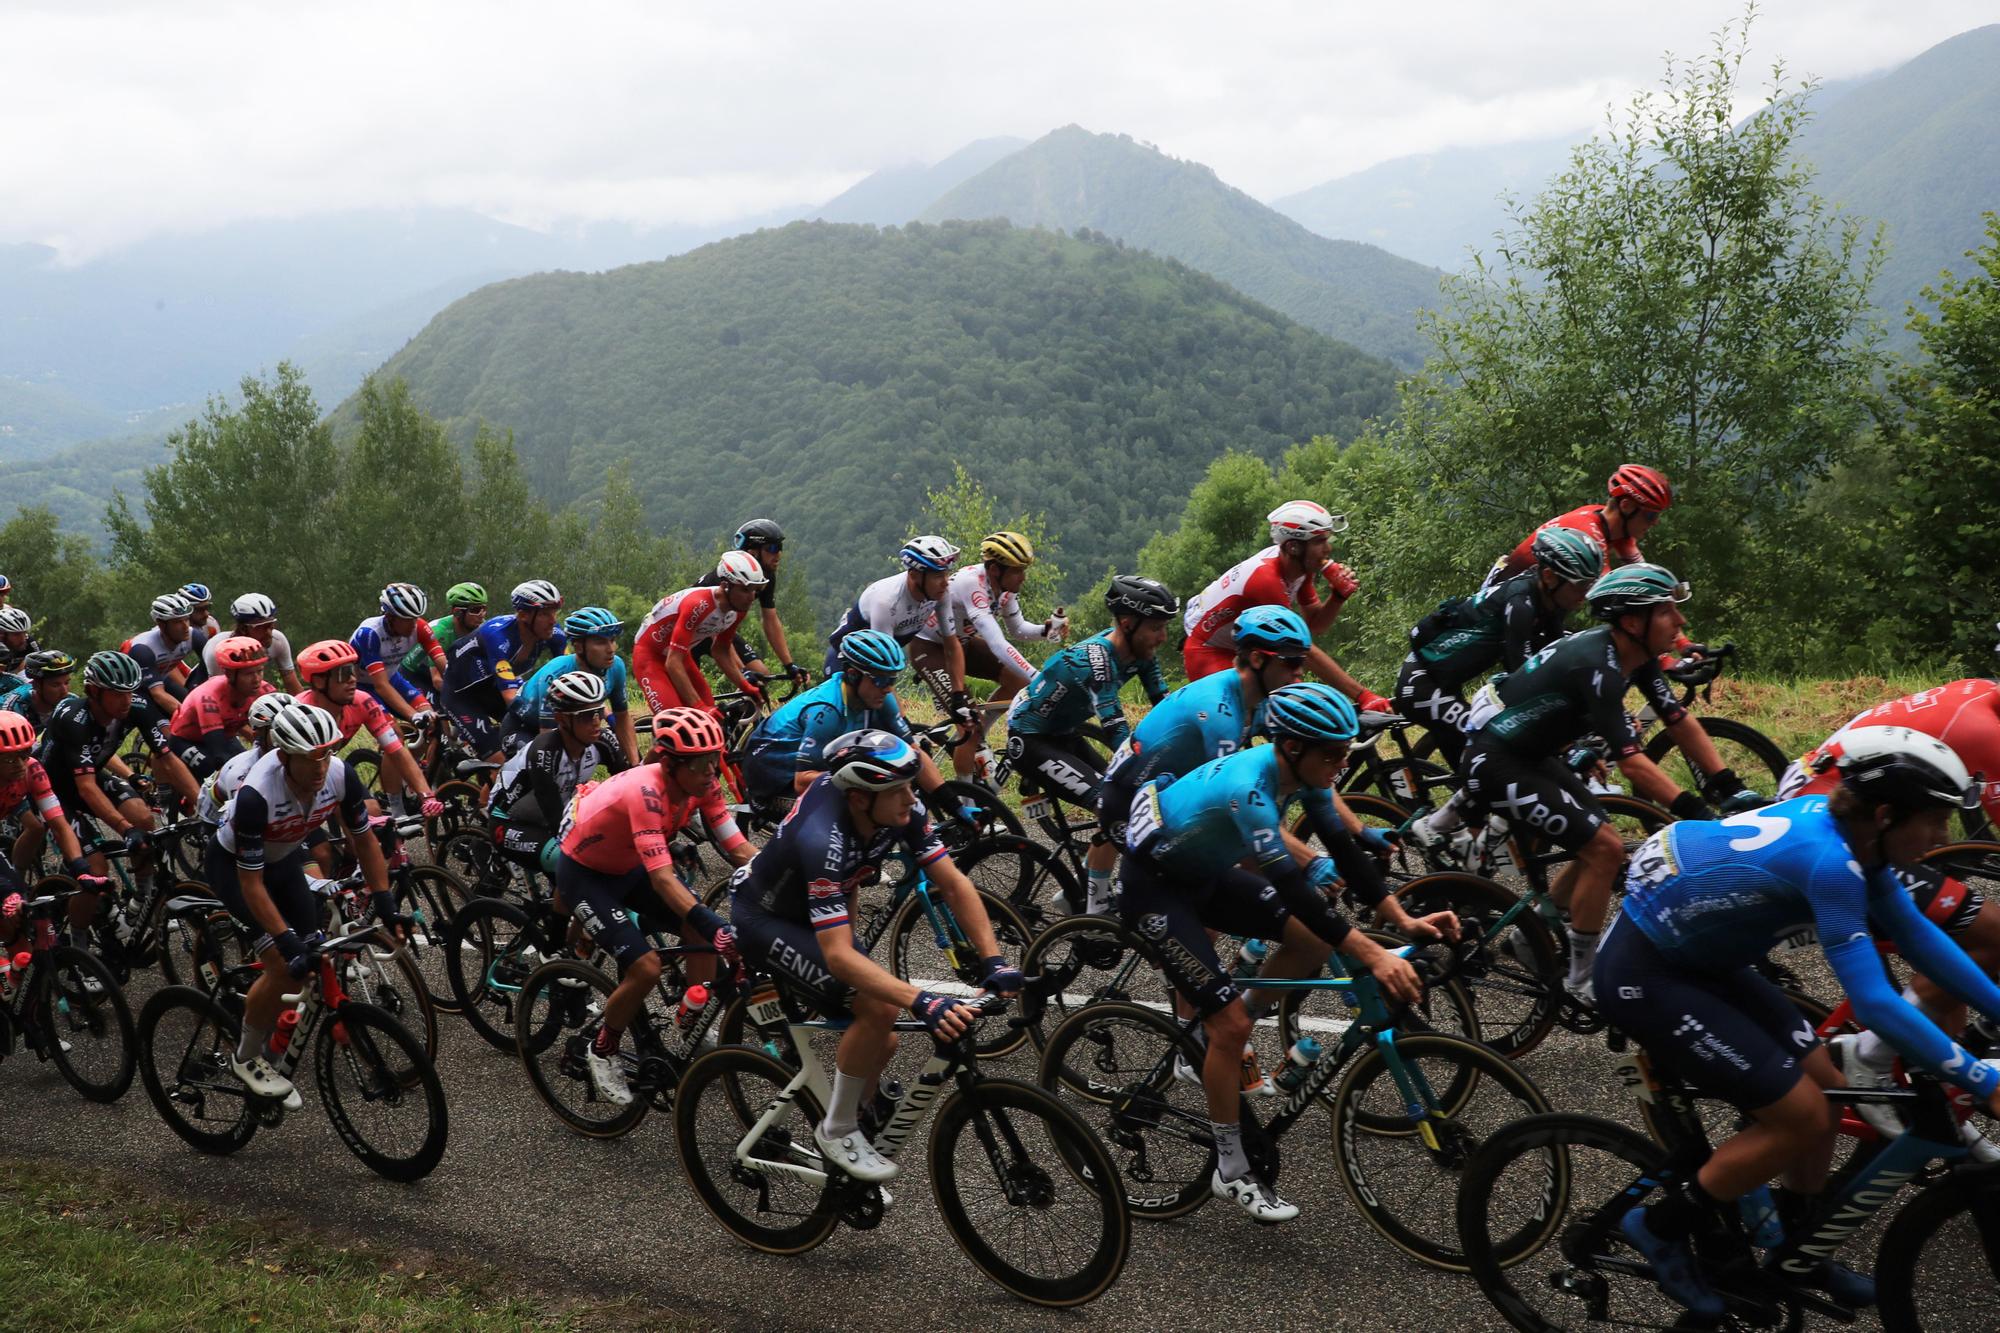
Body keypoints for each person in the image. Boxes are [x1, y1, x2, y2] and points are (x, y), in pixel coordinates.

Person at [1599, 729, 2000, 1316]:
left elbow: (1922, 941)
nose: (1943, 838)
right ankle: (1658, 1224)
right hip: (1648, 973)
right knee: (1801, 1117)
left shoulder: (1859, 839)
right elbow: (1874, 1004)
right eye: (1936, 822)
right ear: (1886, 814)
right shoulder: (1831, 863)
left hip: (1700, 958)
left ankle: (1797, 1247)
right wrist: (1983, 1080)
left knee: (1828, 1089)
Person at [1118, 683, 1456, 1222]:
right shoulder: (1249, 787)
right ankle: (1230, 1167)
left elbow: (1342, 848)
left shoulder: (1306, 772)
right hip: (1154, 890)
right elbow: (1296, 887)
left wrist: (1401, 917)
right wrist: (1374, 954)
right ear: (1293, 747)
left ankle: (1222, 1034)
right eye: (1333, 754)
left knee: (1313, 942)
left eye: (1345, 753)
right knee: (1229, 1023)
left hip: (1202, 875)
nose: (1341, 765)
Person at [1454, 563, 1756, 1005]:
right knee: (1605, 849)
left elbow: (1678, 720)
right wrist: (1697, 812)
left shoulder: (1638, 657)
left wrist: (1729, 784)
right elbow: (1632, 764)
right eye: (1668, 610)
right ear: (1634, 622)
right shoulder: (1599, 666)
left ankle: (1534, 933)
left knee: (1601, 839)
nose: (1681, 620)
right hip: (1495, 762)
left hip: (1529, 756)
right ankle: (1580, 978)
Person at [729, 729, 1020, 1182]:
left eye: (910, 785)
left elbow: (954, 883)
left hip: (823, 908)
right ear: (861, 798)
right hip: (768, 920)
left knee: (883, 1038)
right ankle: (837, 1128)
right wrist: (922, 1000)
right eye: (898, 789)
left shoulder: (896, 805)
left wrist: (994, 961)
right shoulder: (821, 837)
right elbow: (839, 956)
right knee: (880, 1005)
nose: (911, 797)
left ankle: (857, 1115)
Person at [1776, 676, 2000, 1148]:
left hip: (1837, 795)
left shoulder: (1980, 690)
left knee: (1954, 953)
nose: (1944, 836)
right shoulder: (1986, 732)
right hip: (1844, 825)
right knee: (1989, 932)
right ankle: (1872, 1054)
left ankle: (1941, 1101)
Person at [553, 708, 754, 1107]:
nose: (711, 772)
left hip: (629, 867)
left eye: (715, 759)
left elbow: (734, 845)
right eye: (701, 764)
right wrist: (714, 923)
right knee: (647, 966)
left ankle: (689, 1023)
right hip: (586, 874)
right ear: (669, 763)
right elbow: (662, 878)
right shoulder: (645, 791)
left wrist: (778, 879)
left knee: (697, 931)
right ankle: (602, 1047)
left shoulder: (703, 783)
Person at [206, 702, 392, 1105]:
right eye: (310, 758)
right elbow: (252, 884)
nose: (321, 765)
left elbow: (364, 840)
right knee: (284, 966)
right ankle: (247, 1057)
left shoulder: (339, 774)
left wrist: (385, 900)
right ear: (285, 756)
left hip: (284, 859)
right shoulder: (258, 793)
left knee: (315, 959)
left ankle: (276, 1054)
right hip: (235, 869)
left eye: (326, 752)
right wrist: (284, 940)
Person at [1398, 526, 1605, 862]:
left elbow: (1555, 658)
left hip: (1442, 683)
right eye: (1581, 584)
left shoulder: (1549, 601)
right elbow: (1523, 676)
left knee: (1490, 763)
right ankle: (1439, 830)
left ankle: (1468, 857)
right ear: (1551, 576)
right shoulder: (1521, 601)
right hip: (1420, 683)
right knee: (1490, 749)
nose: (1586, 593)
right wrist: (1566, 741)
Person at [1094, 606, 1312, 913]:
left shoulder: (1257, 701)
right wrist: (1308, 860)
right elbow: (1234, 793)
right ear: (1258, 660)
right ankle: (1098, 917)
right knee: (1217, 874)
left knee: (1240, 866)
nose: (1300, 671)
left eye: (1302, 661)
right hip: (1127, 799)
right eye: (1292, 662)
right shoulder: (1219, 713)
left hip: (1165, 791)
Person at [1006, 575, 1176, 905]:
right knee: (1111, 804)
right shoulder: (1096, 662)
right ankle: (1093, 906)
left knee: (1125, 800)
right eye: (1156, 627)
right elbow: (1116, 729)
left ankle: (1079, 888)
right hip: (1030, 739)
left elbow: (1167, 707)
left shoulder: (1142, 652)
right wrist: (1153, 766)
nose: (1163, 636)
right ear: (1127, 623)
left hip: (1062, 734)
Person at [32, 651, 198, 943]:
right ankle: (80, 946)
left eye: (130, 692)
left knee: (144, 819)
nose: (126, 700)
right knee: (96, 869)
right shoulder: (74, 718)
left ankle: (140, 902)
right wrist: (124, 829)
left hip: (91, 776)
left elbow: (169, 759)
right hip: (55, 790)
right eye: (118, 693)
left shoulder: (136, 706)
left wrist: (203, 804)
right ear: (94, 692)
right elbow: (84, 789)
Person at [1181, 500, 1387, 711]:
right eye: (1319, 541)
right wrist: (1363, 695)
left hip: (1243, 646)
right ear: (1293, 546)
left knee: (1299, 708)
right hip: (1209, 649)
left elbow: (1315, 625)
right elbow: (1301, 648)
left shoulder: (1300, 566)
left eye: (1327, 539)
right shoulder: (1265, 580)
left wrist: (1337, 597)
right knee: (1238, 721)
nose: (1328, 548)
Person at [741, 630, 950, 807]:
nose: (888, 688)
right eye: (881, 679)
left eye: (892, 679)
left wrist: (954, 806)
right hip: (772, 774)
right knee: (856, 812)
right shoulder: (827, 711)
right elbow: (802, 782)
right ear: (852, 674)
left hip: (812, 765)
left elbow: (915, 753)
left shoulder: (881, 697)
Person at [826, 537, 983, 768]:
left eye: (947, 574)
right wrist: (899, 716)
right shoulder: (886, 600)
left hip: (878, 663)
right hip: (847, 662)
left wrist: (957, 697)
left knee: (895, 734)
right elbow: (881, 667)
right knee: (857, 734)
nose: (946, 582)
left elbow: (951, 645)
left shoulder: (939, 594)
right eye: (939, 576)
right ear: (916, 575)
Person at [488, 671, 628, 881]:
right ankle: (556, 915)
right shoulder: (544, 752)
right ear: (561, 719)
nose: (596, 721)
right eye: (585, 715)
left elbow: (630, 784)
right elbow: (556, 820)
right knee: (571, 862)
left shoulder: (603, 741)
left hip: (554, 814)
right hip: (508, 821)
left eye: (598, 711)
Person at [294, 639, 445, 823]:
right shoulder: (299, 713)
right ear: (318, 681)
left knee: (372, 812)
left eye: (353, 671)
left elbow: (397, 750)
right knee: (325, 849)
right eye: (343, 674)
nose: (352, 679)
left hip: (329, 767)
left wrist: (426, 795)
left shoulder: (362, 701)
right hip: (296, 780)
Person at [1480, 462, 1672, 590]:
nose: (1654, 522)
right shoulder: (1589, 533)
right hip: (1504, 594)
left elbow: (1647, 584)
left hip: (1538, 601)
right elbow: (1610, 593)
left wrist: (1683, 644)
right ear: (1626, 506)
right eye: (1650, 515)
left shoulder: (1616, 529)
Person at [944, 531, 1068, 725]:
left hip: (962, 644)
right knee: (968, 724)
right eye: (1017, 571)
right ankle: (973, 740)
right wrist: (1038, 677)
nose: (1023, 578)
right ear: (995, 569)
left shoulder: (1005, 589)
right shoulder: (972, 583)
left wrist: (1046, 630)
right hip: (934, 649)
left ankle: (982, 736)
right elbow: (997, 644)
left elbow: (1017, 629)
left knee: (1019, 681)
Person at [631, 554, 769, 724]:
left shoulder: (738, 609)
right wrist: (698, 706)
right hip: (650, 657)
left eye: (755, 590)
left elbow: (721, 651)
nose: (751, 597)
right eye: (745, 590)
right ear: (725, 585)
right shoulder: (698, 605)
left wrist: (746, 687)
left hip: (680, 656)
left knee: (711, 723)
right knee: (678, 724)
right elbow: (673, 663)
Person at [441, 579, 566, 760]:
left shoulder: (556, 635)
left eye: (555, 612)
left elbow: (568, 678)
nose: (553, 620)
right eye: (545, 614)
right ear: (523, 615)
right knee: (500, 762)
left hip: (493, 690)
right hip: (461, 697)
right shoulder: (497, 635)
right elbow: (510, 697)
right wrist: (545, 721)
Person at [0, 710, 98, 923]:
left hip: (10, 797)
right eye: (9, 759)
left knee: (36, 828)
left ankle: (18, 870)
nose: (19, 765)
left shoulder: (32, 769)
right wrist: (9, 887)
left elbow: (60, 825)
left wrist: (80, 867)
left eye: (24, 754)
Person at [687, 520, 810, 689]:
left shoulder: (765, 576)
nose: (779, 554)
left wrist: (789, 665)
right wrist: (742, 672)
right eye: (772, 549)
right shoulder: (728, 577)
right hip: (691, 632)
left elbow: (770, 620)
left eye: (780, 547)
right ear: (753, 552)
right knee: (692, 693)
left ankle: (741, 714)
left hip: (719, 629)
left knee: (761, 675)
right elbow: (713, 627)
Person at [509, 607, 641, 761]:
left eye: (612, 640)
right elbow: (548, 737)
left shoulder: (616, 666)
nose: (611, 649)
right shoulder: (557, 674)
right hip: (524, 727)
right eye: (600, 642)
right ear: (578, 647)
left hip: (571, 729)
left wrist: (635, 764)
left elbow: (622, 718)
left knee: (616, 754)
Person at [166, 636, 276, 779]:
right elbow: (220, 755)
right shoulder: (209, 698)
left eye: (260, 671)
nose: (256, 679)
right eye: (249, 673)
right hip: (186, 740)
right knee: (217, 773)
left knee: (252, 768)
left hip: (225, 735)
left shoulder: (264, 691)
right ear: (230, 674)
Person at [350, 583, 449, 727]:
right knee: (394, 732)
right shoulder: (370, 634)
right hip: (363, 687)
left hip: (394, 679)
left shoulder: (420, 627)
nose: (413, 624)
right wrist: (413, 715)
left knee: (432, 723)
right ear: (390, 617)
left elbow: (443, 664)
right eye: (408, 620)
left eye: (416, 618)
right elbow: (381, 685)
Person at [194, 692, 297, 827]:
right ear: (258, 732)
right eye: (279, 731)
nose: (289, 737)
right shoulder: (242, 773)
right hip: (215, 817)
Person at [202, 593, 305, 694]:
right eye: (262, 627)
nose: (269, 633)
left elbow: (290, 681)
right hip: (205, 688)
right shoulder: (217, 650)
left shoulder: (278, 640)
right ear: (243, 629)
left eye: (271, 625)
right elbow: (218, 692)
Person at [397, 582, 488, 685]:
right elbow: (437, 680)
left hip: (443, 671)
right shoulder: (440, 631)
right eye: (475, 610)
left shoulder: (483, 627)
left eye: (484, 609)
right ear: (458, 612)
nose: (481, 615)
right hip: (415, 674)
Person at [126, 592, 200, 712]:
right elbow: (158, 694)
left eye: (186, 619)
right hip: (133, 691)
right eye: (177, 622)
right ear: (161, 625)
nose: (186, 626)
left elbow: (212, 669)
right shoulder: (144, 647)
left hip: (161, 679)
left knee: (191, 701)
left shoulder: (193, 635)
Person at [0, 649, 73, 730]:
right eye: (55, 685)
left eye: (66, 683)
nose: (65, 691)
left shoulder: (72, 702)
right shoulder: (12, 709)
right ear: (36, 685)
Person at [0, 606, 40, 676]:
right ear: (2, 635)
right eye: (16, 634)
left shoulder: (30, 642)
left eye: (24, 633)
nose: (23, 639)